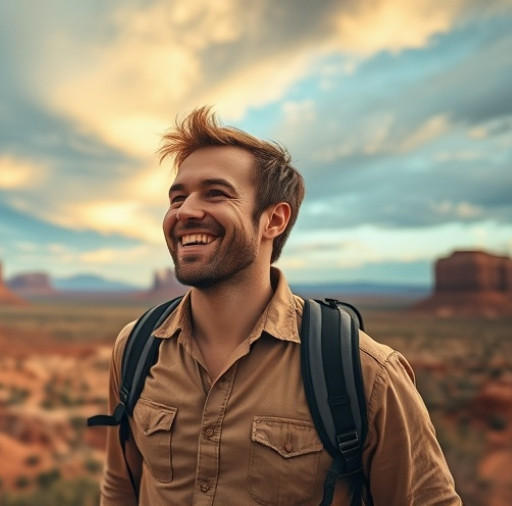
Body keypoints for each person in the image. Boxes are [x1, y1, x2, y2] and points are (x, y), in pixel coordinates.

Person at [98, 106, 461, 505]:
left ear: (274, 220)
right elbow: (120, 486)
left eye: (215, 193)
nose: (184, 212)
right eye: (177, 197)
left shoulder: (365, 372)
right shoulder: (136, 347)